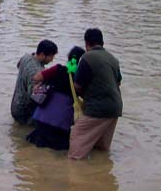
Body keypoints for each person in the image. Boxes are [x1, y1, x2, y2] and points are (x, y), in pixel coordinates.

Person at [68, 28, 122, 160]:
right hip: (116, 108)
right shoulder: (113, 59)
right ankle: (101, 174)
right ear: (102, 42)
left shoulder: (87, 57)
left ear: (87, 43)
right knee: (101, 150)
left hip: (98, 108)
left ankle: (75, 175)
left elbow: (77, 86)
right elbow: (118, 82)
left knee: (77, 140)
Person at [26, 46, 85, 150]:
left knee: (38, 148)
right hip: (61, 123)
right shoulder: (81, 78)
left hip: (42, 117)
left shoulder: (57, 69)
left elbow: (36, 77)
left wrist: (43, 82)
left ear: (68, 57)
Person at [10, 39, 58, 124]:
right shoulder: (36, 72)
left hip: (15, 105)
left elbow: (18, 65)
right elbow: (35, 96)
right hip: (24, 112)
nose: (52, 60)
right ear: (43, 55)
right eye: (51, 56)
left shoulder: (27, 57)